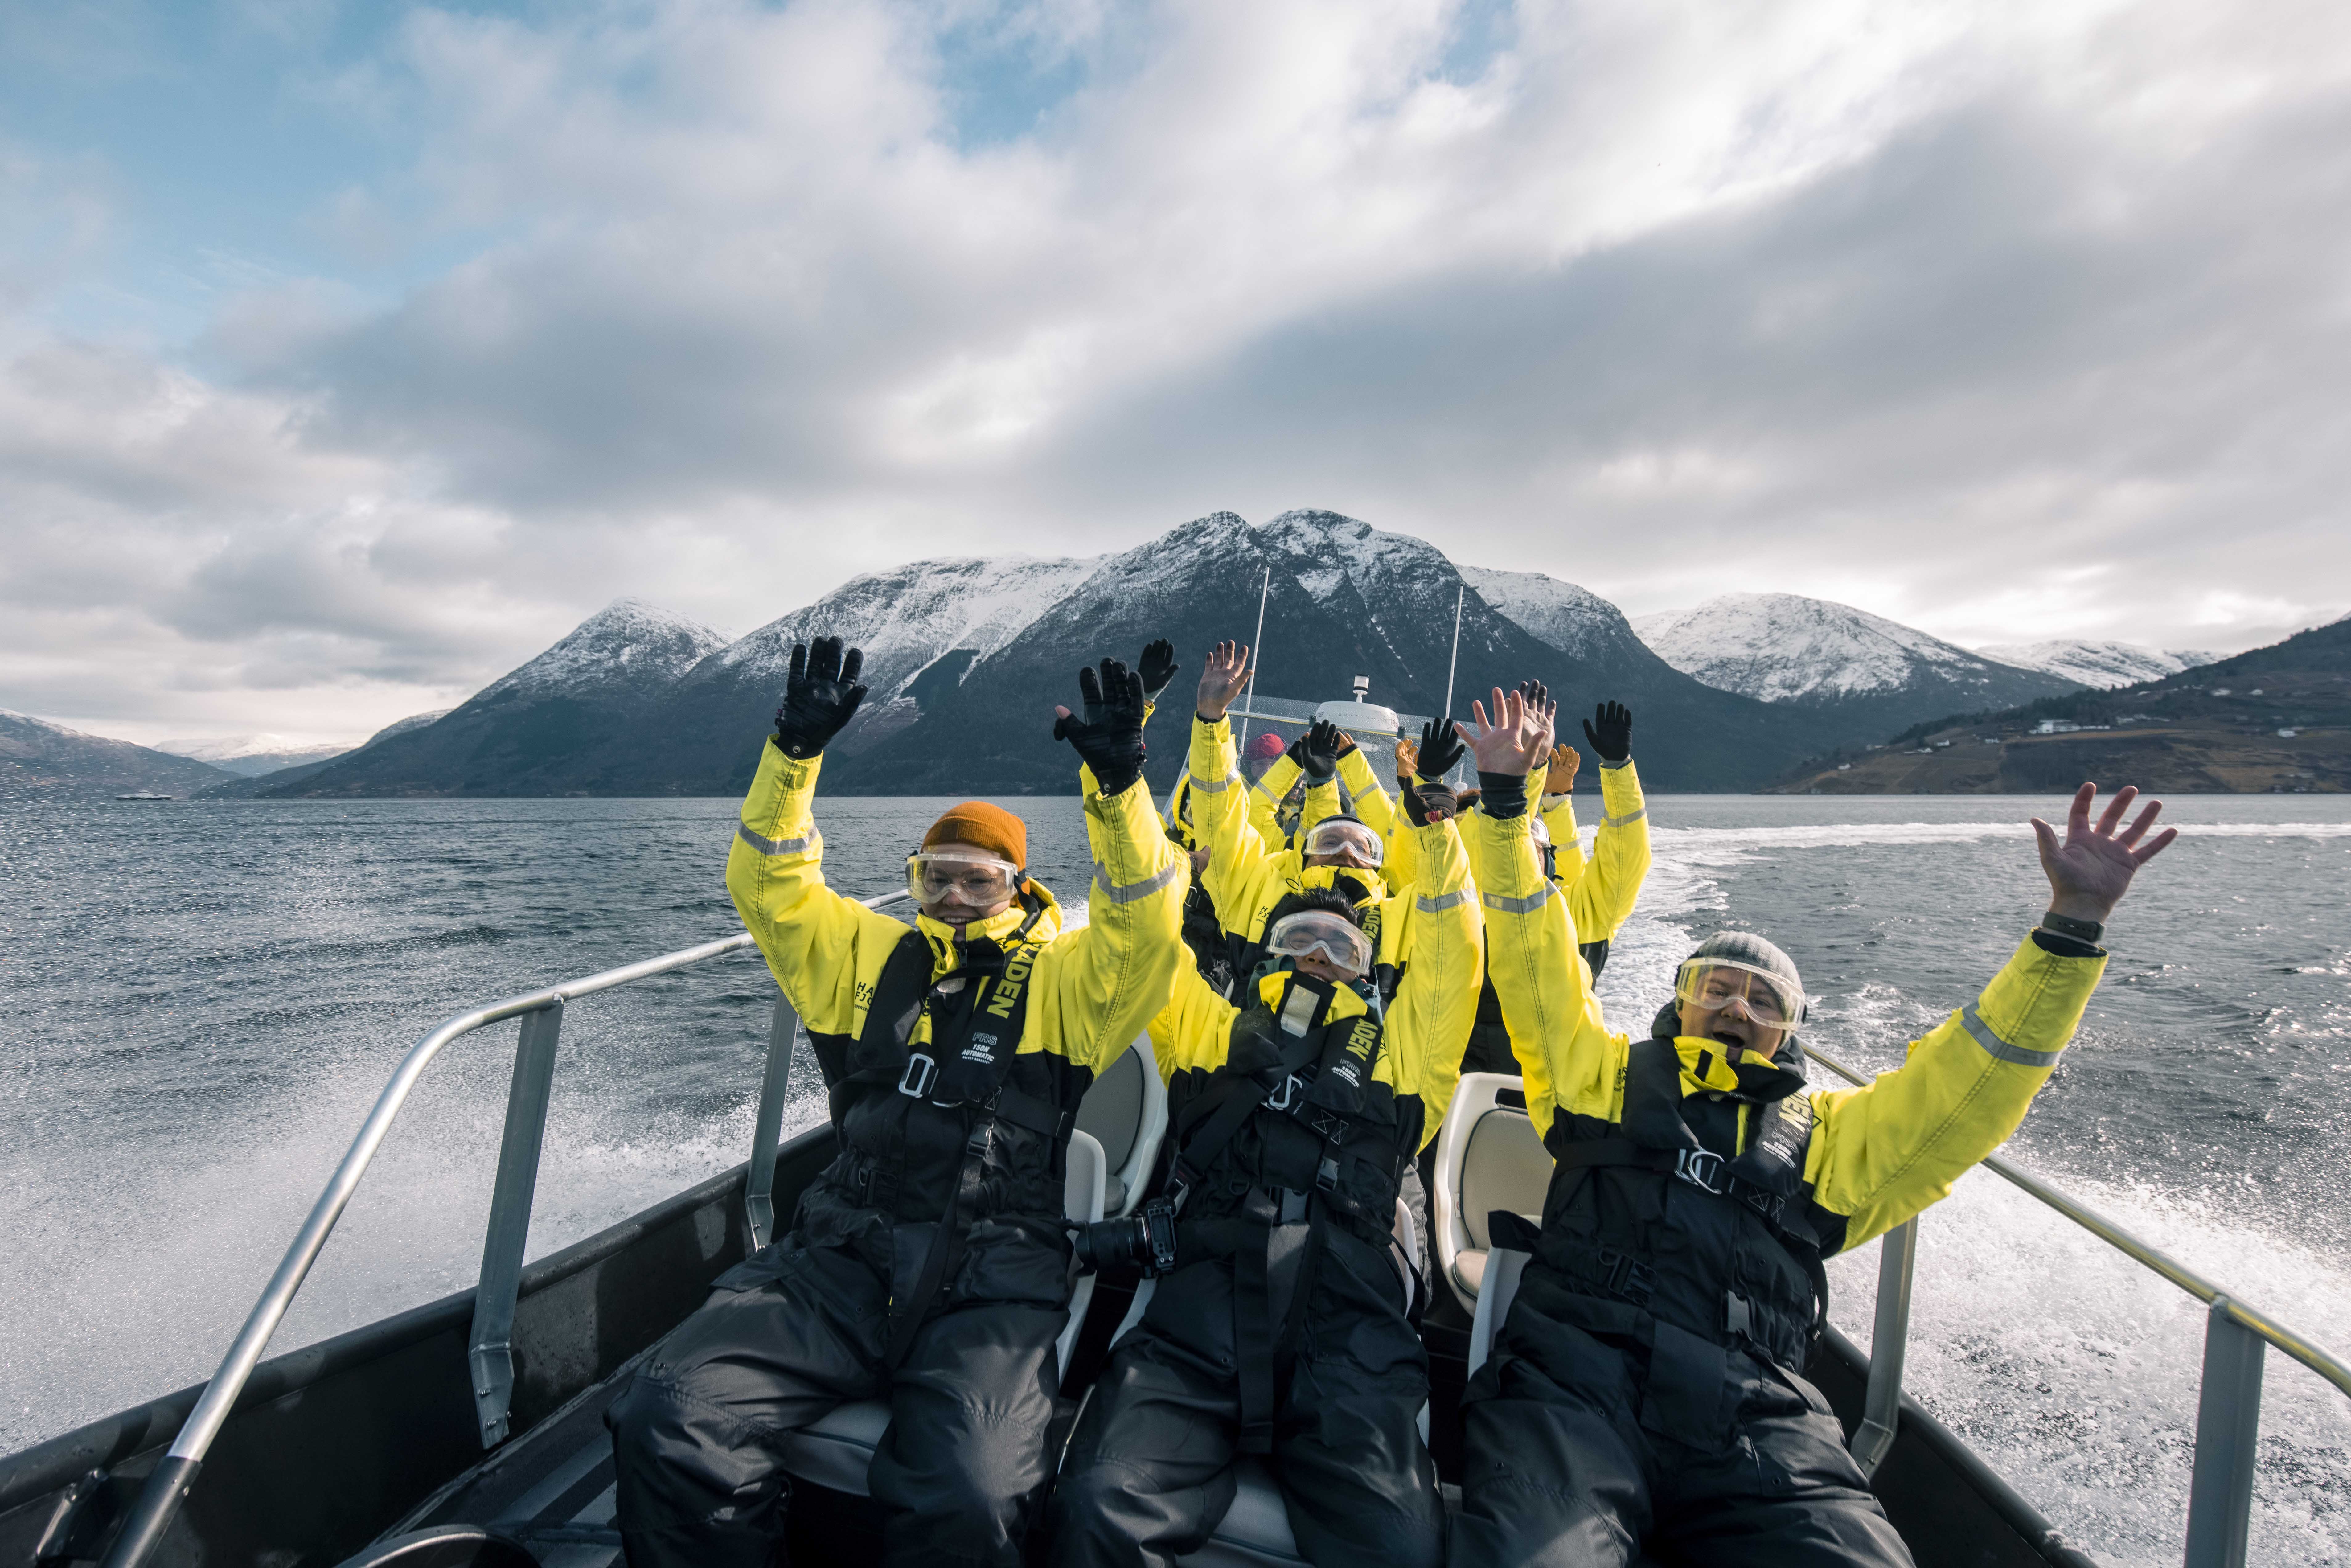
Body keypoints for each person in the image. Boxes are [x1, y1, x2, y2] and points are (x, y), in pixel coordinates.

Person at [1450, 681, 2178, 1568]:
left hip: (1758, 1410)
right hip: (1573, 1381)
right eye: (1712, 988)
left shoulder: (1830, 1139)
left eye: (1762, 1000)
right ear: (1677, 1005)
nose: (1735, 1006)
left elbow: (1970, 1086)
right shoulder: (1597, 1076)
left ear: (1788, 1031)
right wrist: (1501, 807)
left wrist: (2069, 930)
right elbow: (1532, 949)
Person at [607, 638, 1188, 1568]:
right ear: (914, 878)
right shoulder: (865, 955)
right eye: (936, 876)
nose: (954, 895)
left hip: (993, 1277)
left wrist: (1118, 792)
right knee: (666, 1415)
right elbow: (768, 884)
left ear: (1017, 887)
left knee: (972, 1493)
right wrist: (792, 758)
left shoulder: (1072, 981)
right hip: (841, 1256)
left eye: (979, 879)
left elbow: (1146, 920)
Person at [1046, 682, 1482, 1568]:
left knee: (1401, 1548)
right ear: (1265, 956)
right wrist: (1122, 791)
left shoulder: (1406, 1060)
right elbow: (1142, 938)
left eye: (1343, 947)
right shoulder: (1208, 1031)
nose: (1321, 954)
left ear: (1369, 969)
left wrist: (1434, 827)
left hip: (1351, 1337)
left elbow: (1449, 958)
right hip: (1192, 1326)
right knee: (1095, 1510)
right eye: (1299, 940)